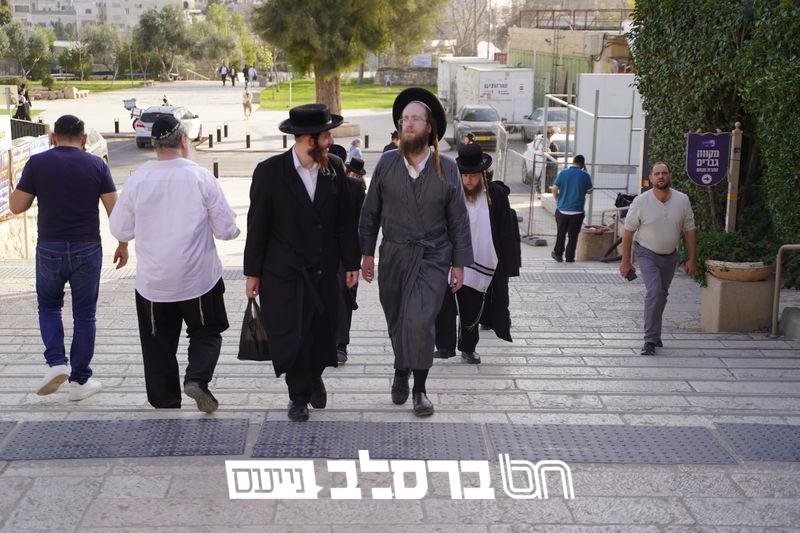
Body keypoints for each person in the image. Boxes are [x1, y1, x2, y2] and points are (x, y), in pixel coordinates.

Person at [109, 115, 240, 412]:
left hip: (154, 283)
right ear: (182, 140)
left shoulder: (138, 179)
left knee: (157, 346)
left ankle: (165, 407)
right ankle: (197, 379)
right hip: (198, 278)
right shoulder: (201, 177)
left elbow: (120, 228)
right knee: (207, 331)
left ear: (154, 144)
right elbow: (226, 230)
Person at [359, 87, 473, 417]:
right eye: (404, 119)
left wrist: (459, 264)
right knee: (398, 320)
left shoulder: (446, 168)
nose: (407, 124)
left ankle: (420, 389)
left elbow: (458, 219)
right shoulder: (386, 164)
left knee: (420, 321)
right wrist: (367, 253)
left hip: (432, 256)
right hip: (394, 255)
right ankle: (400, 370)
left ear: (429, 127)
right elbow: (370, 212)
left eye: (415, 119)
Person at [244, 103, 360, 422]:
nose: (330, 141)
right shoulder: (269, 172)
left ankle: (314, 375)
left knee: (322, 332)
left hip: (324, 269)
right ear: (309, 139)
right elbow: (258, 226)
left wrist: (351, 263)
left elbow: (345, 221)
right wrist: (252, 273)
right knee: (292, 334)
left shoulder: (334, 166)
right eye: (326, 136)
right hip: (284, 273)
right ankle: (298, 396)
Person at [9, 114, 127, 401]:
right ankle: (80, 381)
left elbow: (16, 206)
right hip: (87, 247)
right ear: (84, 139)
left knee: (49, 307)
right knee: (85, 315)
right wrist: (123, 244)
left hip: (49, 248)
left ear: (53, 138)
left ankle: (56, 363)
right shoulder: (97, 165)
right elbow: (116, 212)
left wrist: (19, 186)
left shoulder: (37, 163)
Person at [434, 144, 520, 363]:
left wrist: (509, 265)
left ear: (482, 174)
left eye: (473, 176)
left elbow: (506, 230)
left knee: (471, 307)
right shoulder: (449, 191)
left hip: (481, 259)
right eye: (465, 176)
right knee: (443, 305)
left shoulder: (496, 195)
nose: (468, 181)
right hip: (449, 259)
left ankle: (468, 347)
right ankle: (444, 346)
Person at [620, 162, 697, 356]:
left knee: (662, 294)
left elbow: (689, 230)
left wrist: (692, 259)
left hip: (671, 255)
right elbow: (628, 232)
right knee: (655, 292)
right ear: (651, 178)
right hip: (647, 253)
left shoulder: (682, 200)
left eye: (664, 173)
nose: (661, 176)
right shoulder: (641, 201)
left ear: (670, 175)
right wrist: (626, 261)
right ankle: (650, 340)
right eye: (657, 174)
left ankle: (655, 334)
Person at [336, 157, 368, 364]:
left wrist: (366, 253)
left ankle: (340, 344)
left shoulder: (356, 189)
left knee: (344, 296)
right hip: (320, 253)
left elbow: (366, 223)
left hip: (348, 253)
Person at [550, 154, 593, 263]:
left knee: (561, 233)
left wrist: (557, 198)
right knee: (573, 236)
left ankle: (558, 254)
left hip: (562, 210)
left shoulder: (563, 173)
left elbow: (554, 188)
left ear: (573, 161)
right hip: (577, 211)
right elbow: (589, 190)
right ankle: (570, 257)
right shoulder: (585, 175)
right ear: (583, 164)